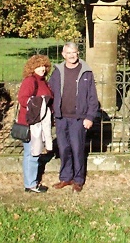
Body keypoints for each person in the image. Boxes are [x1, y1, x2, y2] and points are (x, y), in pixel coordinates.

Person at [48, 41, 99, 192]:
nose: (72, 55)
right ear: (63, 55)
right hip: (61, 117)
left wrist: (90, 117)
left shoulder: (86, 72)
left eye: (74, 52)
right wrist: (51, 112)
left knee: (77, 149)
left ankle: (78, 179)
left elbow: (92, 97)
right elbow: (50, 92)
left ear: (78, 53)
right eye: (68, 53)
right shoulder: (57, 71)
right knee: (63, 148)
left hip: (79, 118)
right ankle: (65, 177)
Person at [17, 54, 54, 193]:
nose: (42, 69)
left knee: (35, 152)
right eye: (39, 66)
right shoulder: (30, 81)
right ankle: (30, 185)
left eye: (44, 66)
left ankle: (31, 182)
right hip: (31, 123)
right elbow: (23, 99)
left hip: (40, 123)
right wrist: (39, 103)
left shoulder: (44, 81)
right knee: (32, 153)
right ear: (32, 68)